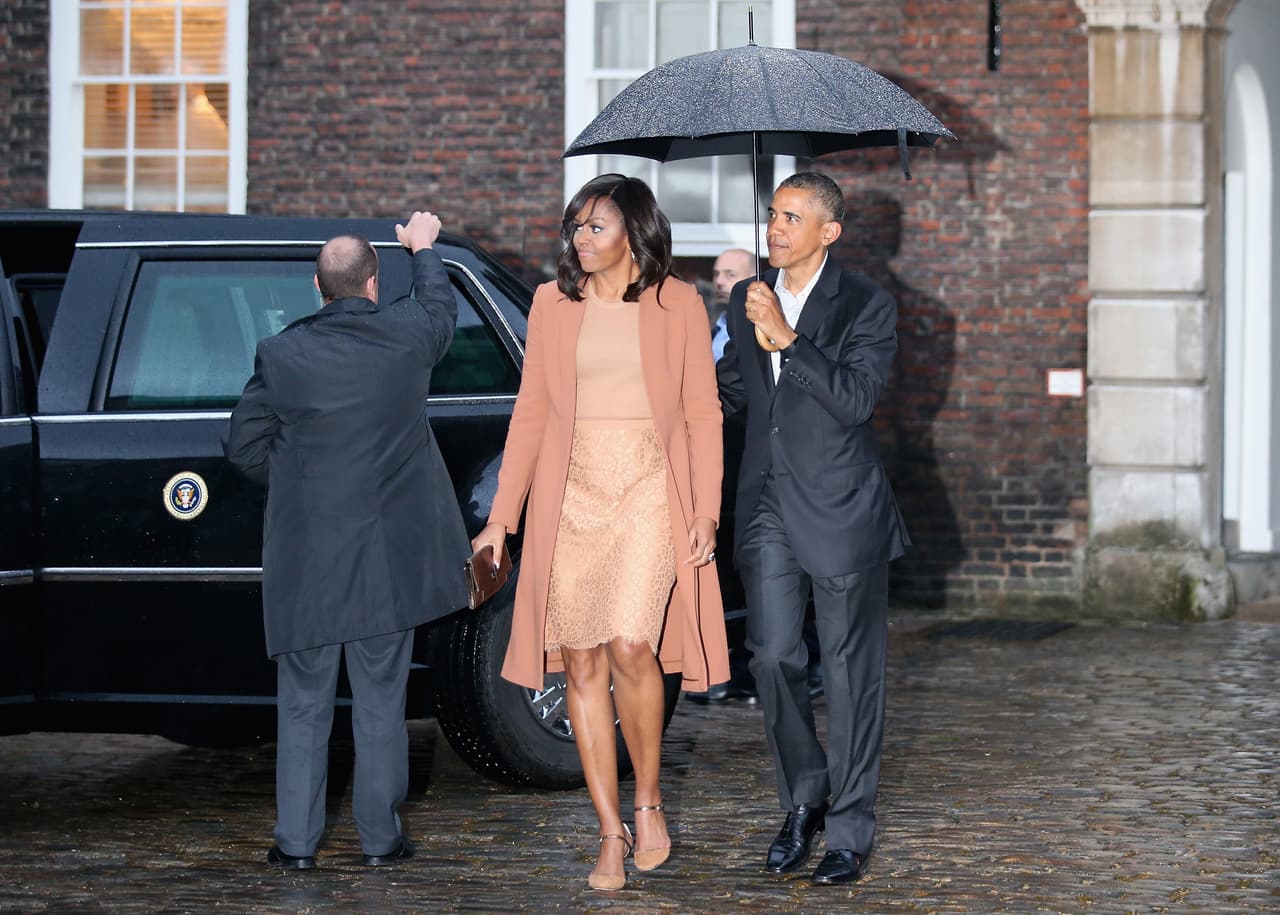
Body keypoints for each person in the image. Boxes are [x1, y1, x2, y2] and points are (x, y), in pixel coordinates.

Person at [470, 173, 729, 891]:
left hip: (649, 486)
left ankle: (649, 798)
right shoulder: (553, 304)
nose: (581, 239)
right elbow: (530, 414)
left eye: (596, 227)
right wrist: (501, 519)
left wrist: (704, 507)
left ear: (635, 231)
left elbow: (704, 413)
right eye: (577, 227)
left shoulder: (678, 303)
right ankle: (608, 829)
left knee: (631, 643)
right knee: (580, 658)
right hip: (572, 492)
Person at [224, 212, 470, 871]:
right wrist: (423, 248)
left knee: (302, 706)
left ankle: (297, 845)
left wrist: (302, 477)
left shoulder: (281, 354)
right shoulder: (407, 338)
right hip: (384, 565)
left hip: (307, 562)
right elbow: (439, 304)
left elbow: (241, 445)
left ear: (317, 286)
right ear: (372, 282)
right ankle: (380, 840)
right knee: (381, 705)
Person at [717, 172, 910, 886]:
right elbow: (738, 390)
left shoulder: (867, 304)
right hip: (766, 500)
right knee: (770, 655)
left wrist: (790, 339)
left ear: (829, 231)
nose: (775, 227)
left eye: (792, 217)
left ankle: (851, 827)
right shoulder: (746, 296)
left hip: (841, 508)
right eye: (773, 213)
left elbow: (856, 399)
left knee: (855, 675)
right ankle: (804, 795)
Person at [709, 247, 754, 362]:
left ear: (753, 278)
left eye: (730, 275)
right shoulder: (714, 329)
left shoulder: (761, 331)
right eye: (716, 274)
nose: (719, 282)